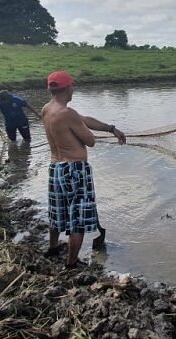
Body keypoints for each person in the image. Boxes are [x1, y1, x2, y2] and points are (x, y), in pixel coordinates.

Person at [41, 71, 126, 269]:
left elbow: (84, 119)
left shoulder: (48, 109)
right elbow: (90, 140)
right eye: (72, 86)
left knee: (57, 211)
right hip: (75, 170)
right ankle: (71, 262)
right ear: (68, 88)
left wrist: (111, 129)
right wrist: (83, 135)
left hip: (56, 168)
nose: (73, 90)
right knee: (77, 218)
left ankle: (53, 248)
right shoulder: (67, 113)